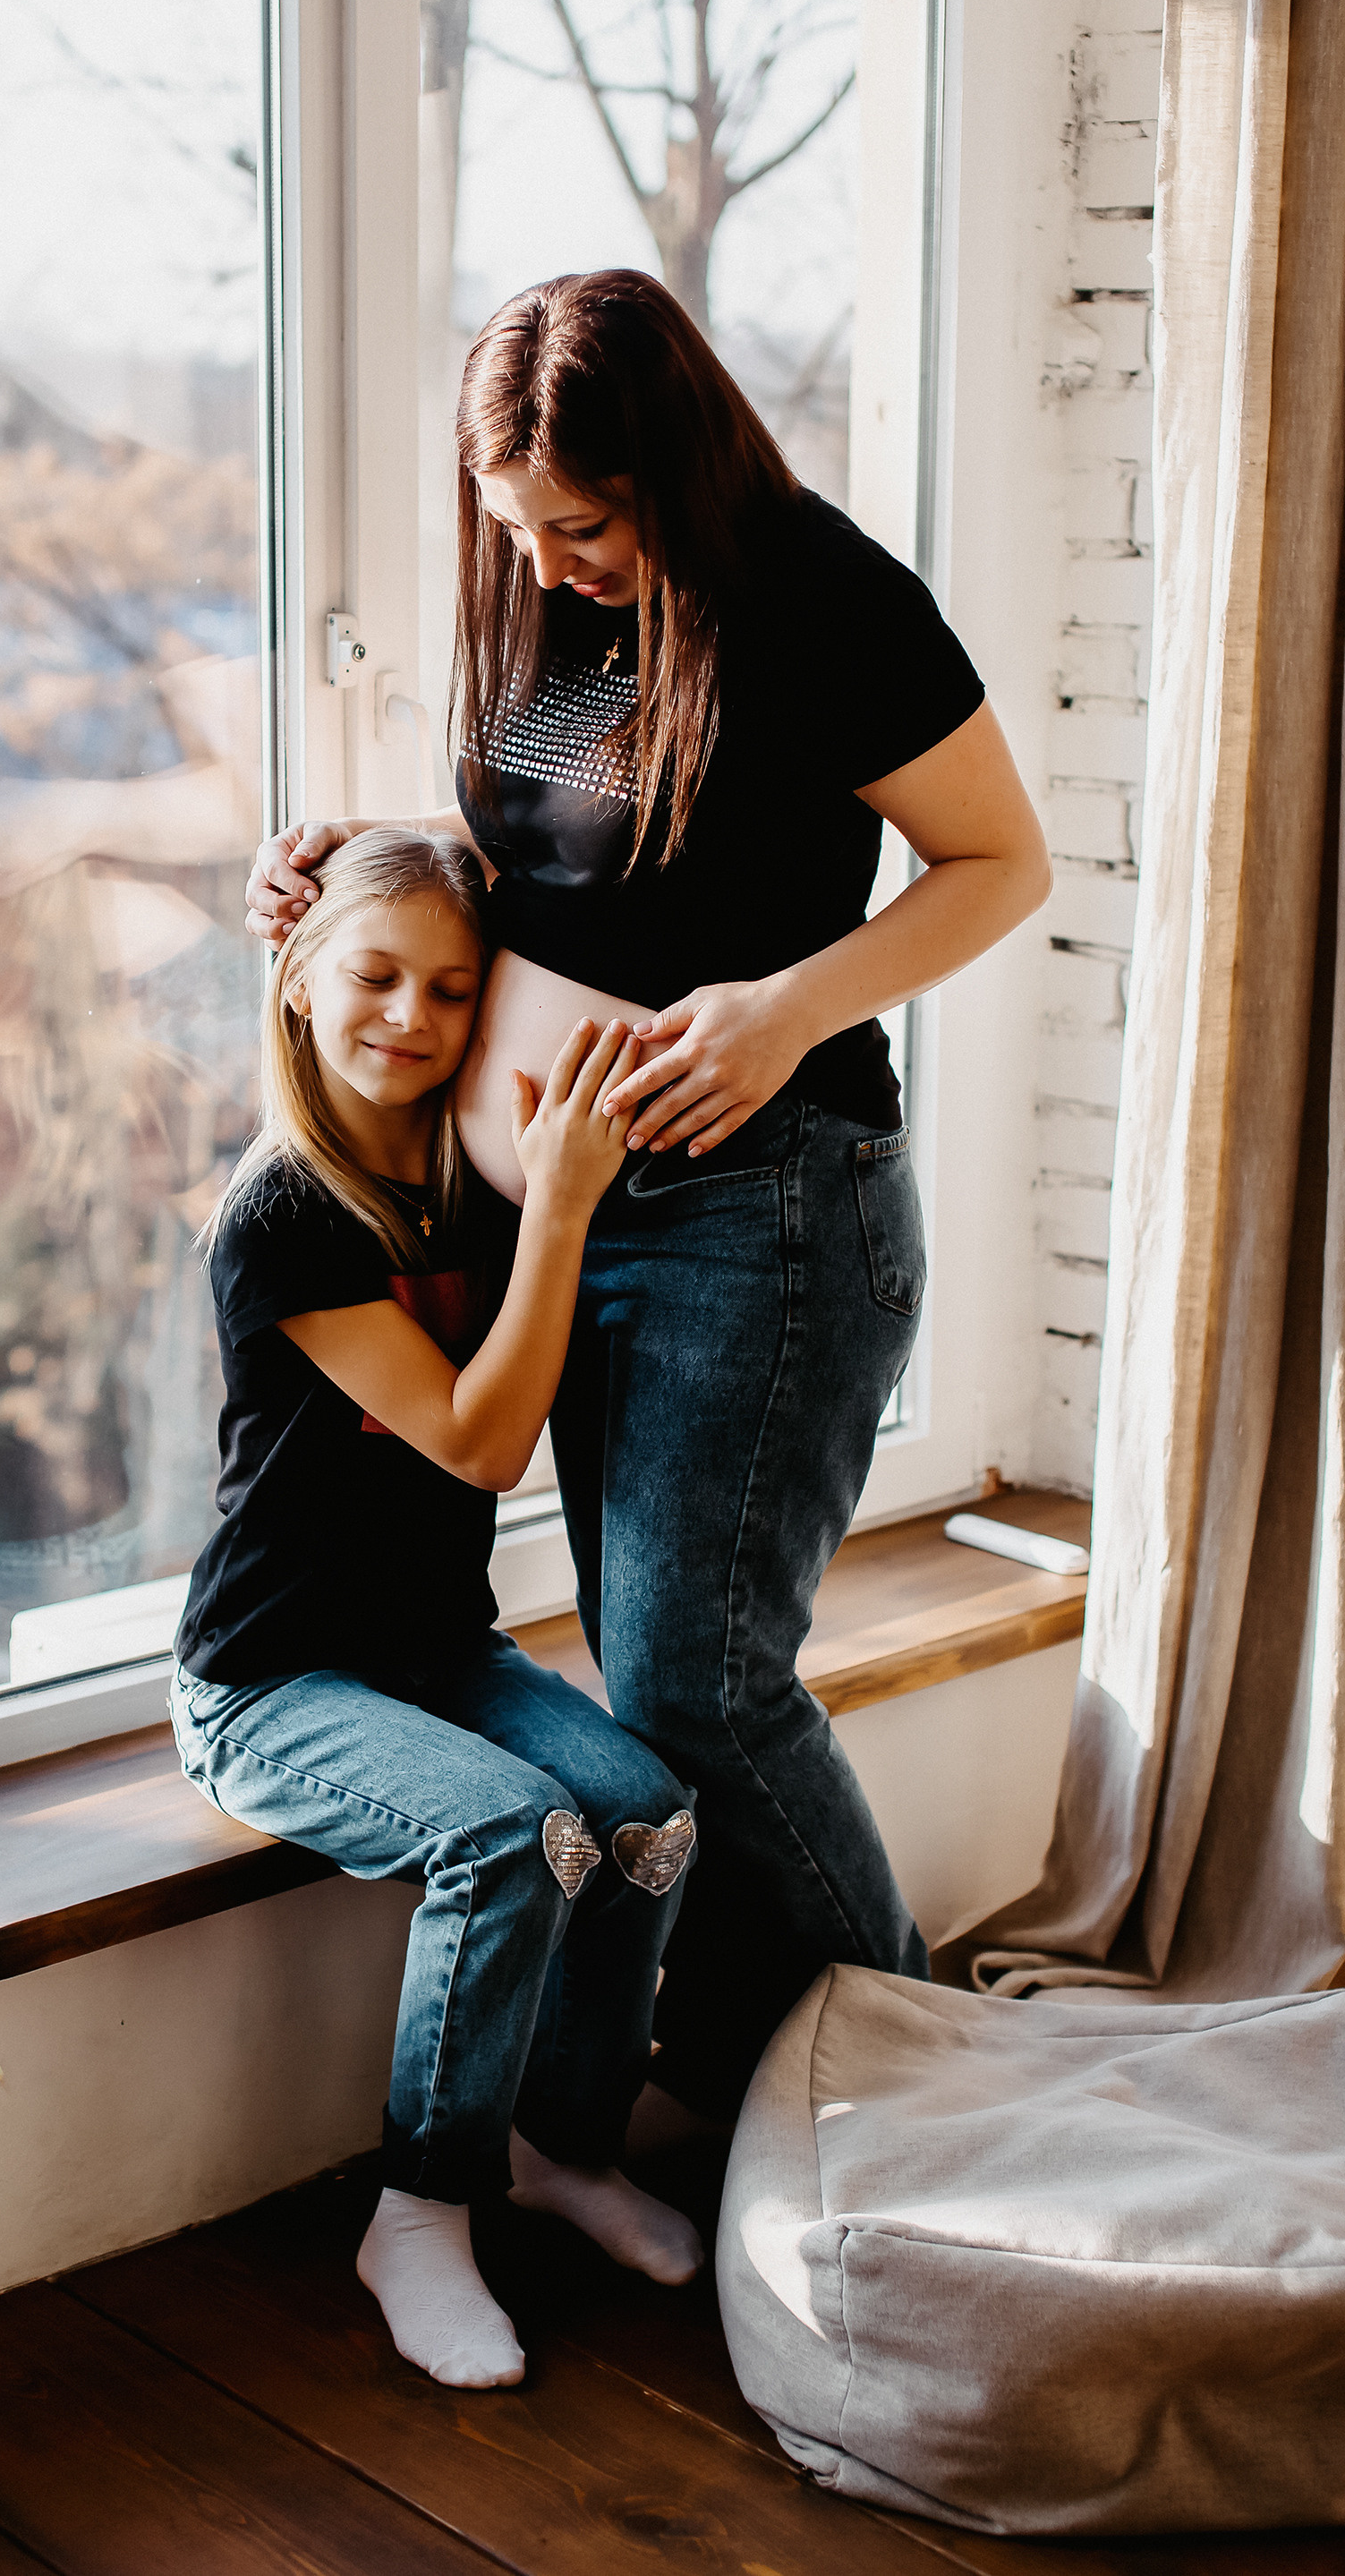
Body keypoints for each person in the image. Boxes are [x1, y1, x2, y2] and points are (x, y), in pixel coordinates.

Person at [244, 271, 1052, 2129]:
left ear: (675, 472)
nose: (551, 563)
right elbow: (564, 865)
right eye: (517, 528)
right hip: (574, 1220)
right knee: (658, 1674)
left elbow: (999, 861)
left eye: (586, 526)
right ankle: (790, 2067)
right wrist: (356, 877)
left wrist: (790, 1007)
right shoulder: (537, 602)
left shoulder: (827, 602)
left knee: (697, 1686)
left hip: (764, 1212)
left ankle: (923, 2087)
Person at [172, 823, 702, 2393]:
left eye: (451, 990)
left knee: (650, 1813)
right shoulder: (283, 1214)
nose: (409, 1014)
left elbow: (501, 855)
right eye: (373, 975)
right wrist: (566, 1210)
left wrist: (392, 832)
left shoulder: (461, 1180)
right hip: (272, 1680)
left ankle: (560, 2146)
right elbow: (485, 1437)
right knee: (510, 1835)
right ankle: (417, 2210)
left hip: (430, 1652)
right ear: (296, 979)